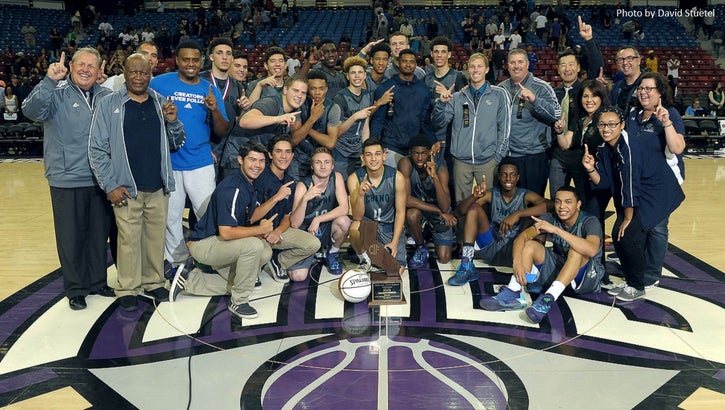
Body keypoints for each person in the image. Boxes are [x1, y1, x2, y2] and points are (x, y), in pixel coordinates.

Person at [88, 54, 186, 311]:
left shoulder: (161, 102)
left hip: (158, 185)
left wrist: (173, 121)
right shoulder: (109, 104)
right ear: (125, 73)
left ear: (150, 74)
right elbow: (96, 149)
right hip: (125, 187)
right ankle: (128, 288)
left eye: (144, 73)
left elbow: (176, 143)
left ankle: (154, 282)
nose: (139, 77)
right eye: (134, 72)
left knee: (155, 238)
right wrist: (110, 185)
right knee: (129, 240)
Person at [22, 48, 115, 310]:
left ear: (100, 71)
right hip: (66, 178)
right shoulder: (56, 93)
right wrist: (50, 81)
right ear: (70, 67)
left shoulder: (107, 97)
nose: (86, 69)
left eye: (92, 66)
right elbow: (31, 110)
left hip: (100, 179)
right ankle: (75, 288)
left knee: (98, 235)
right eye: (81, 64)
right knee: (71, 237)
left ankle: (98, 281)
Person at [583, 106, 685, 301]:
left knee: (628, 235)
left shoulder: (628, 145)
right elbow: (604, 182)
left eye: (612, 124)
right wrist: (590, 169)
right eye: (603, 124)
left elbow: (629, 182)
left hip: (657, 193)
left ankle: (637, 286)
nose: (606, 129)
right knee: (617, 234)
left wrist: (628, 217)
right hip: (639, 193)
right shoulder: (605, 148)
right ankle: (631, 280)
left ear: (622, 125)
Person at [170, 142, 275, 320]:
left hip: (220, 242)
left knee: (265, 251)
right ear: (240, 160)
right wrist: (260, 229)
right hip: (203, 244)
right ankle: (239, 300)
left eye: (261, 161)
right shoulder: (232, 188)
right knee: (254, 246)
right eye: (252, 160)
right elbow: (226, 232)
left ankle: (189, 282)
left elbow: (248, 217)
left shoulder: (249, 183)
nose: (257, 165)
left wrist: (274, 203)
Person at [150, 40, 231, 272]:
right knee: (171, 219)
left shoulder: (209, 89)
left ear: (202, 61)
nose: (191, 64)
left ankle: (210, 260)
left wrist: (214, 109)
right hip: (170, 163)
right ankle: (177, 263)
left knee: (207, 215)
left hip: (200, 163)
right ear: (177, 60)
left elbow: (223, 131)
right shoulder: (159, 83)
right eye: (186, 59)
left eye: (195, 60)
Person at [479, 186, 604, 323]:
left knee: (576, 251)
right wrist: (517, 264)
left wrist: (556, 230)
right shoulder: (550, 218)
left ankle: (547, 299)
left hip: (588, 275)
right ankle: (513, 292)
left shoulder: (590, 221)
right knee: (530, 245)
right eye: (558, 201)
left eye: (568, 202)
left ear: (578, 204)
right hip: (564, 271)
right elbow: (522, 238)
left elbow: (591, 250)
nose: (562, 206)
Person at [624, 73, 685, 288]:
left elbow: (678, 148)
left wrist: (666, 123)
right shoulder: (633, 115)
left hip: (663, 183)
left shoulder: (671, 114)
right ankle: (638, 268)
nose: (643, 92)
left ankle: (651, 273)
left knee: (657, 227)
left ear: (660, 92)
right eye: (641, 88)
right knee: (640, 226)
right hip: (640, 182)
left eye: (649, 88)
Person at [449, 158, 548, 286]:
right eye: (504, 175)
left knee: (541, 220)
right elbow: (459, 212)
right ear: (499, 177)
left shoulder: (525, 195)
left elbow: (548, 206)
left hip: (517, 251)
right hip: (492, 247)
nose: (508, 179)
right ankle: (467, 264)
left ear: (517, 177)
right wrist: (475, 196)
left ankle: (535, 275)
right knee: (474, 208)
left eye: (512, 175)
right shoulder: (492, 193)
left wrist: (517, 214)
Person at [433, 53, 510, 204]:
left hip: (488, 160)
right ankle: (462, 229)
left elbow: (505, 128)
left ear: (487, 69)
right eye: (472, 66)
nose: (475, 70)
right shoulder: (456, 97)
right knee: (462, 206)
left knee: (488, 204)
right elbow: (438, 123)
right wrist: (441, 103)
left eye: (479, 66)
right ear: (467, 69)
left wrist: (497, 157)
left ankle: (488, 229)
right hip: (461, 161)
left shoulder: (498, 94)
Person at [252, 135, 320, 283]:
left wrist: (278, 231)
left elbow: (287, 217)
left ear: (292, 155)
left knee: (313, 243)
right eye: (278, 151)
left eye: (288, 152)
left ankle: (278, 261)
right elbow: (251, 218)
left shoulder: (290, 181)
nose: (284, 156)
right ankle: (254, 268)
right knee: (263, 253)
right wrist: (276, 197)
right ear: (270, 154)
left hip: (277, 232)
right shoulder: (260, 178)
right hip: (256, 233)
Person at [499, 48, 561, 197]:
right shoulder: (501, 89)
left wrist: (535, 101)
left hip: (535, 155)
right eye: (512, 62)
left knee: (534, 202)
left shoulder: (542, 88)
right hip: (509, 155)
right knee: (511, 202)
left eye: (520, 62)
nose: (516, 66)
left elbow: (556, 116)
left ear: (527, 64)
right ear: (507, 66)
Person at [347, 138, 408, 269]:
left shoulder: (397, 177)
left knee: (397, 270)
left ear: (384, 155)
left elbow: (400, 212)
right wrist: (360, 194)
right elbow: (357, 216)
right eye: (368, 155)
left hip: (389, 226)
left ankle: (376, 253)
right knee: (354, 228)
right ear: (362, 157)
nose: (373, 159)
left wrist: (395, 242)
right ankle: (363, 259)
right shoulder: (354, 178)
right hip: (367, 224)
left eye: (377, 154)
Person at [290, 147, 351, 275]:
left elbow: (344, 208)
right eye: (318, 162)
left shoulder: (337, 177)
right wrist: (305, 199)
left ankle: (332, 253)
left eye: (327, 162)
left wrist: (318, 219)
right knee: (298, 276)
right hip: (306, 231)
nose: (323, 166)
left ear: (333, 165)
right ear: (312, 166)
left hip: (324, 226)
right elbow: (295, 224)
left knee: (344, 221)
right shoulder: (303, 185)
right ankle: (311, 253)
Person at [397, 135, 456, 269]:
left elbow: (445, 206)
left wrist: (434, 177)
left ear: (429, 152)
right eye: (415, 153)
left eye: (423, 153)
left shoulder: (441, 169)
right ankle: (421, 246)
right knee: (411, 215)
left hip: (439, 211)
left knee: (444, 258)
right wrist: (438, 211)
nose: (419, 158)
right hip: (423, 209)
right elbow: (406, 200)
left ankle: (430, 232)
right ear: (410, 153)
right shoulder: (405, 164)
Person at [371, 48, 434, 169]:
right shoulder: (386, 87)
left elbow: (425, 121)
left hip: (414, 150)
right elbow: (378, 120)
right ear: (398, 63)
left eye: (412, 61)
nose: (408, 64)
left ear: (416, 64)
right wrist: (373, 144)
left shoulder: (423, 90)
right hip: (391, 147)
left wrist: (433, 140)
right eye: (405, 61)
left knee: (411, 187)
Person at [200, 38, 249, 181]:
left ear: (232, 58)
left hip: (227, 151)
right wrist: (201, 148)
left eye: (228, 54)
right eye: (220, 53)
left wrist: (244, 109)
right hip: (204, 147)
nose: (225, 57)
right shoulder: (199, 80)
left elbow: (237, 122)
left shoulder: (238, 86)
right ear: (211, 57)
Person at [289, 70, 341, 180]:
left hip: (321, 162)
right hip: (298, 160)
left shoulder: (333, 108)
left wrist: (306, 127)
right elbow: (295, 139)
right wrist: (312, 118)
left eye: (321, 88)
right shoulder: (299, 105)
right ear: (308, 89)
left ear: (326, 89)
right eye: (313, 88)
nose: (317, 92)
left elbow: (331, 143)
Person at [332, 56, 375, 179]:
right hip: (341, 152)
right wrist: (355, 116)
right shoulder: (340, 97)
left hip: (358, 151)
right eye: (353, 73)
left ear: (365, 75)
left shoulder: (368, 96)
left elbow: (365, 128)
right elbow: (337, 132)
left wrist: (365, 150)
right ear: (347, 76)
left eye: (360, 72)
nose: (357, 76)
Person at [238, 75, 307, 148]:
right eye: (296, 90)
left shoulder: (293, 111)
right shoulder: (271, 103)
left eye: (303, 93)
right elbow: (244, 121)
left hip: (257, 153)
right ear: (285, 90)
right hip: (237, 152)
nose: (299, 96)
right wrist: (278, 119)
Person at [609, 46, 643, 115]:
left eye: (629, 58)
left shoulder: (650, 84)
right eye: (620, 59)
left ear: (638, 61)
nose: (625, 63)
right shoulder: (616, 88)